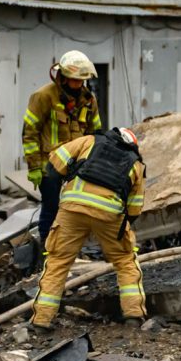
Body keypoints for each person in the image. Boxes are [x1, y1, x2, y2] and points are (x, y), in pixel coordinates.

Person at [31, 127, 147, 329]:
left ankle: (41, 320)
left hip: (72, 209)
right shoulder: (136, 164)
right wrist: (120, 230)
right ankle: (133, 316)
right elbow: (135, 208)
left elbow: (54, 164)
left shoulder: (89, 141)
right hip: (110, 214)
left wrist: (53, 201)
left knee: (58, 261)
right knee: (125, 261)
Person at [22, 50, 102, 244]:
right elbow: (30, 132)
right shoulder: (43, 96)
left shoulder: (89, 100)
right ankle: (48, 250)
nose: (78, 84)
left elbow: (96, 133)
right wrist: (34, 167)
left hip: (77, 165)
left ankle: (71, 249)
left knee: (76, 208)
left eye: (82, 80)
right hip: (49, 165)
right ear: (63, 77)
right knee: (51, 208)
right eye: (75, 80)